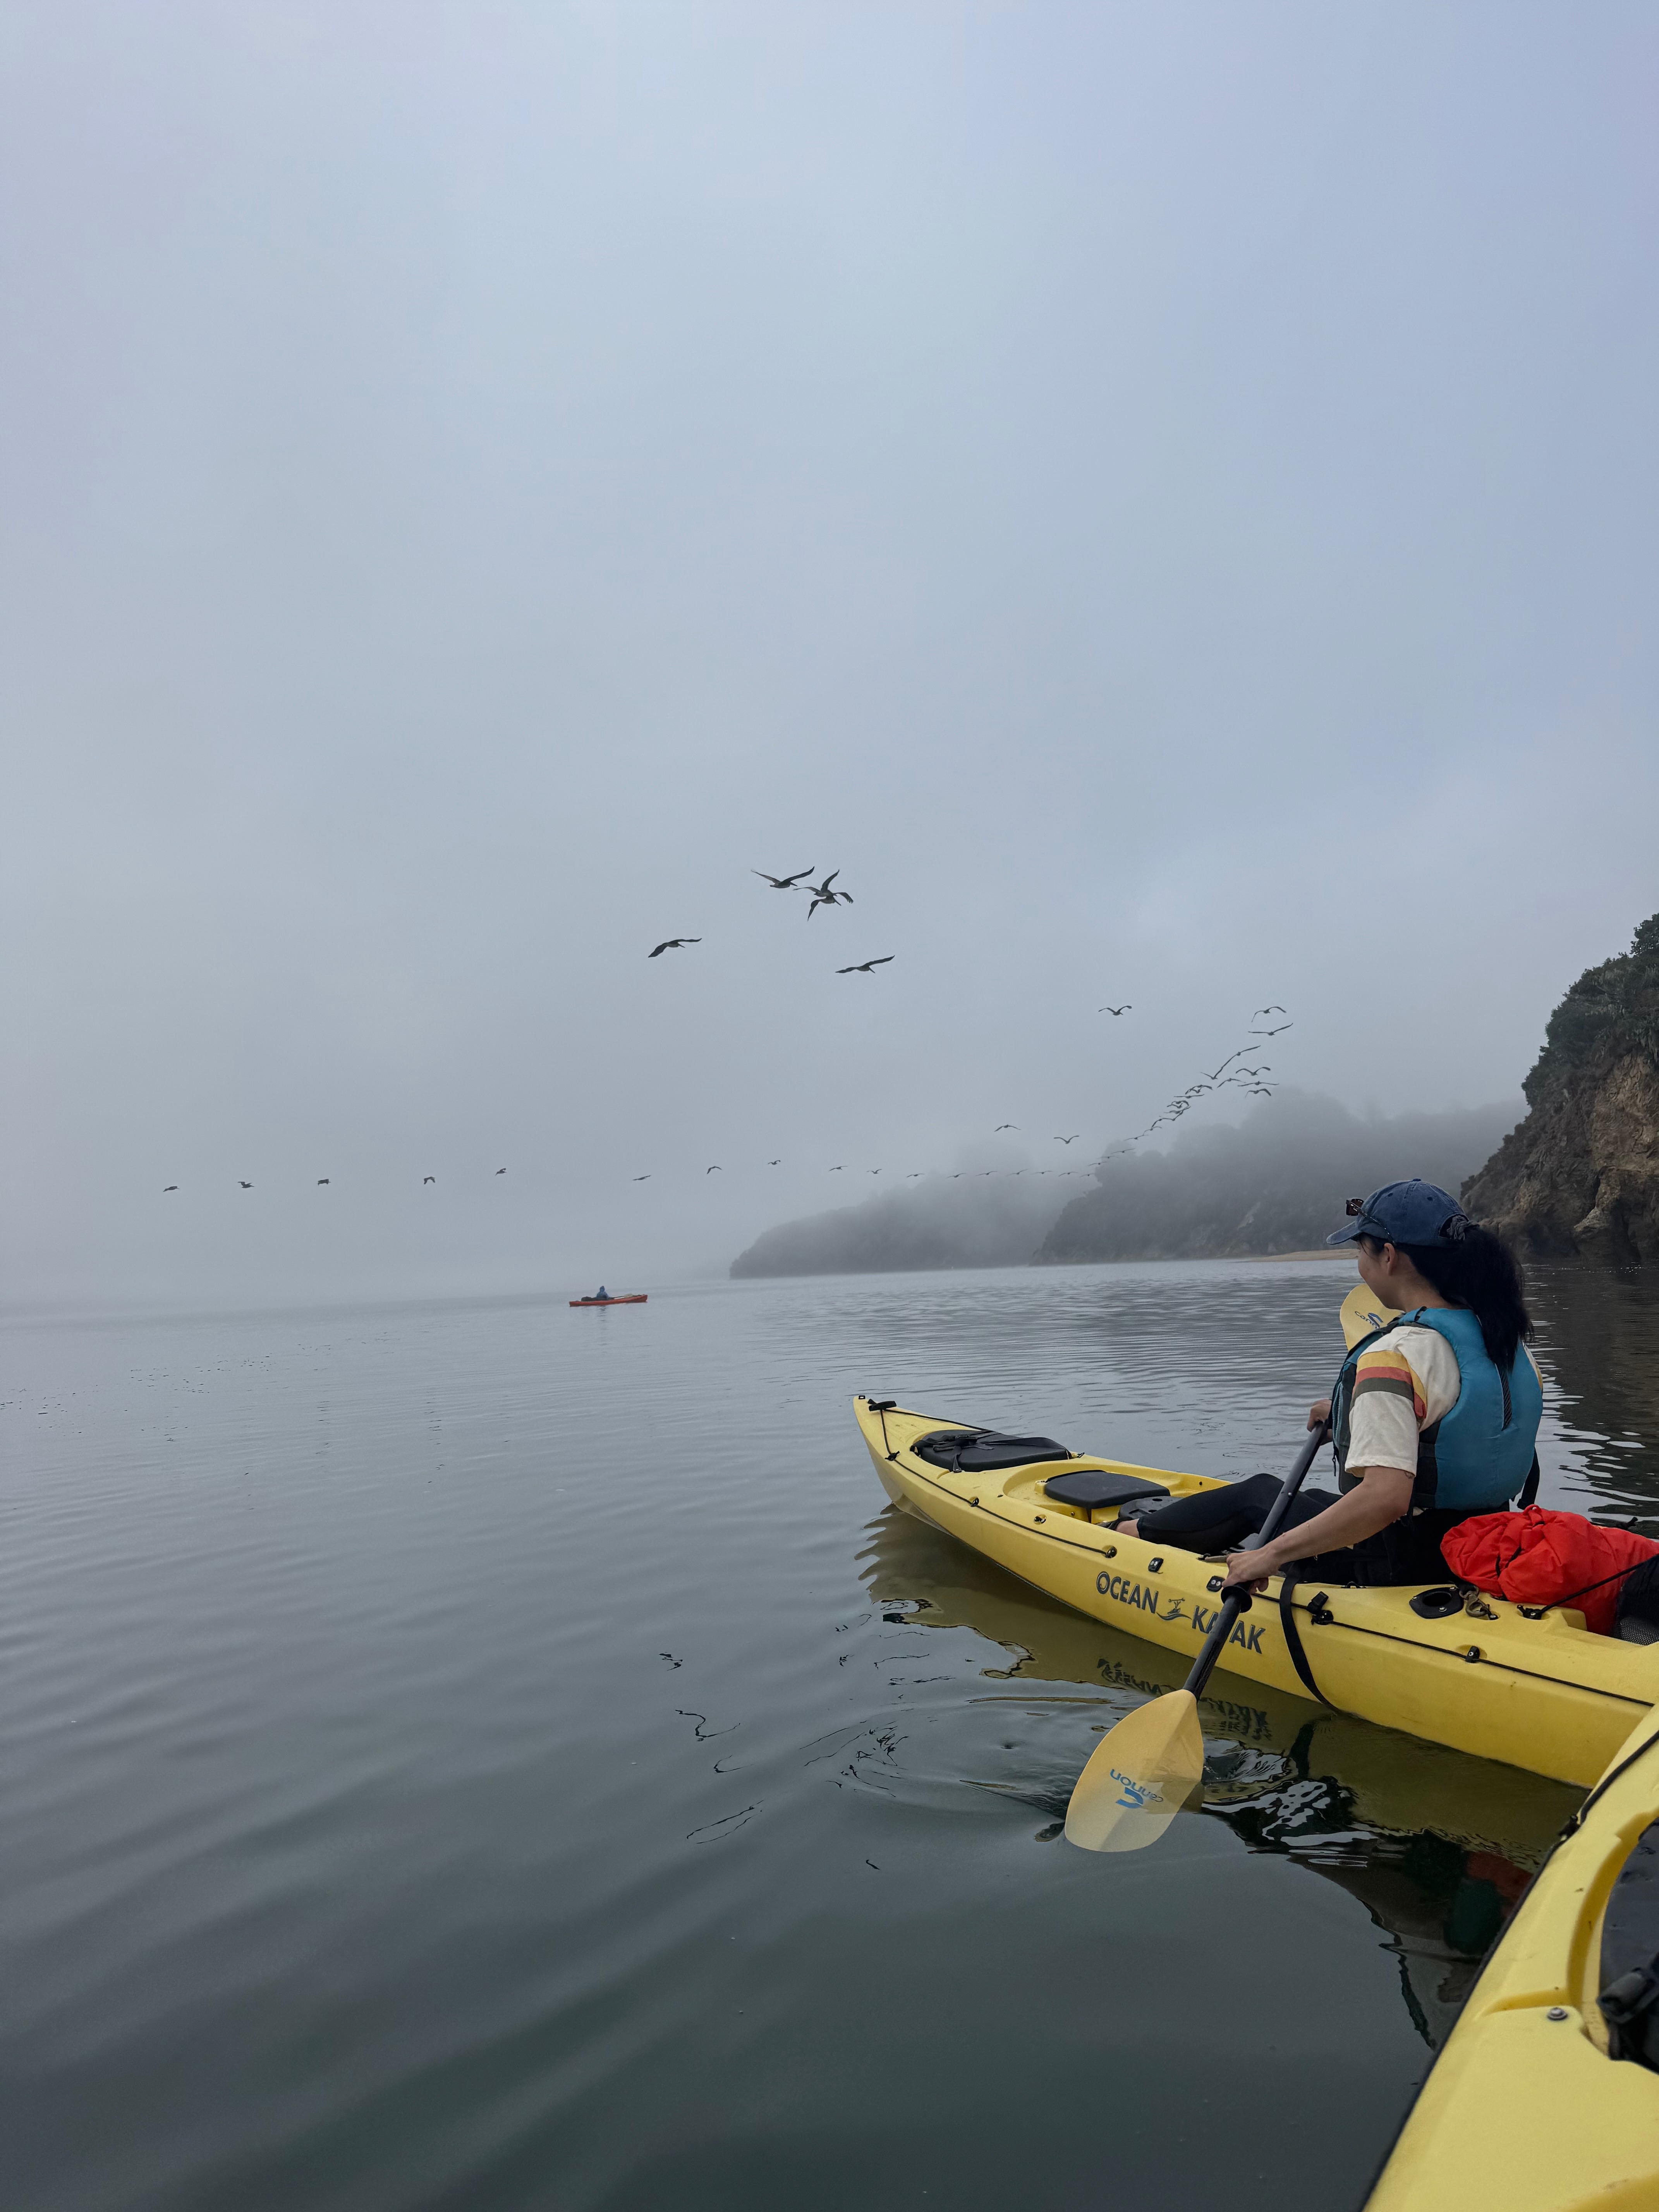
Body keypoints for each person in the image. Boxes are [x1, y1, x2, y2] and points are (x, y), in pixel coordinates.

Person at [1118, 1180, 1542, 1594]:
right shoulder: (1507, 1341)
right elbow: (1458, 1423)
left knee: (1261, 1494)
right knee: (1306, 1498)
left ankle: (1129, 1536)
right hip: (1485, 1545)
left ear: (1389, 1256)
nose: (1359, 1263)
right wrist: (1346, 1415)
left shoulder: (1397, 1353)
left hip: (1400, 1562)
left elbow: (1385, 1499)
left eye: (1360, 1250)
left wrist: (1267, 1556)